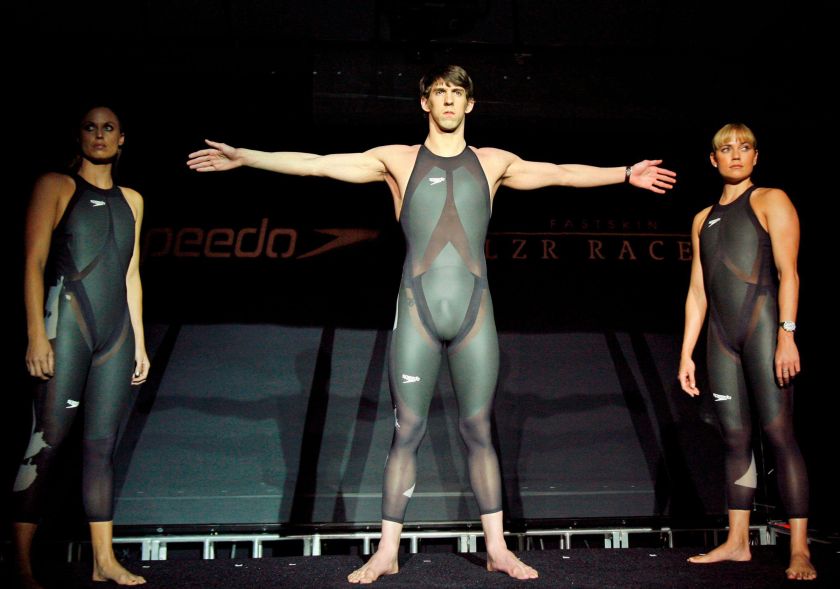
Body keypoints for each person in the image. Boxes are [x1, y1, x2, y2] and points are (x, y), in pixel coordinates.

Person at [187, 64, 676, 583]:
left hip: (475, 315)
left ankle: (498, 549)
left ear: (470, 104)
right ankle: (386, 552)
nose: (447, 100)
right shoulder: (396, 160)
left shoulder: (494, 163)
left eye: (456, 92)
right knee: (408, 431)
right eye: (438, 92)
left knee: (478, 429)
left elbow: (559, 171)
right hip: (417, 312)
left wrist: (625, 173)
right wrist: (246, 158)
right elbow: (317, 164)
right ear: (425, 103)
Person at [12, 106, 150, 587]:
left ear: (122, 139)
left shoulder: (132, 199)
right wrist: (35, 334)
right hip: (66, 328)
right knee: (46, 443)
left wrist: (141, 344)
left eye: (108, 127)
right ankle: (20, 564)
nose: (99, 134)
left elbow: (131, 275)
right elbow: (33, 261)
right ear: (79, 136)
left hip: (116, 338)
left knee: (101, 447)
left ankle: (103, 561)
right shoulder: (57, 185)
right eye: (90, 127)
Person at [677, 123, 815, 581]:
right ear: (712, 160)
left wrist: (787, 333)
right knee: (734, 439)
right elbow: (698, 292)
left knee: (779, 435)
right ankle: (738, 542)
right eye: (725, 149)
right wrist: (686, 353)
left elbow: (789, 273)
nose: (735, 155)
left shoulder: (771, 200)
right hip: (721, 339)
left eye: (744, 147)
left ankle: (799, 550)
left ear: (756, 156)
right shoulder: (702, 218)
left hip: (763, 331)